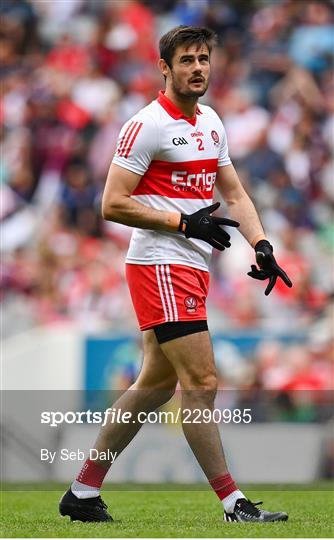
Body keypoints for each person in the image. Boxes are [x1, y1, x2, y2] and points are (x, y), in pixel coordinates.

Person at [59, 25, 292, 524]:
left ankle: (81, 492)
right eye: (186, 60)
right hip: (159, 264)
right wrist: (182, 221)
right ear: (165, 68)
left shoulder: (210, 122)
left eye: (203, 58)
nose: (198, 68)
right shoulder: (147, 125)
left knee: (156, 385)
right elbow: (111, 203)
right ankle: (234, 503)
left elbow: (234, 193)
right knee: (202, 381)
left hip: (189, 264)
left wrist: (262, 244)